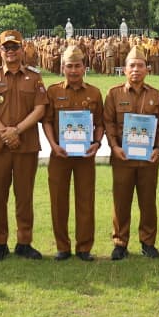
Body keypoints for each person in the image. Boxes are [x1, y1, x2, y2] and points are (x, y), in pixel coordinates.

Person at [0, 30, 48, 261]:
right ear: (0, 51)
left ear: (22, 49)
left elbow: (40, 108)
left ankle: (24, 242)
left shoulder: (34, 77)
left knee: (24, 195)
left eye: (14, 47)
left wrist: (17, 131)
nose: (10, 52)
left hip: (26, 144)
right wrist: (4, 133)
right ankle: (0, 242)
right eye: (6, 48)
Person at [103, 45, 159, 260]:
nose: (136, 70)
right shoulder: (114, 94)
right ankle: (120, 242)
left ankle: (148, 242)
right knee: (121, 202)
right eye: (132, 66)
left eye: (140, 65)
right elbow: (109, 123)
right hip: (123, 157)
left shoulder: (155, 96)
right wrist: (114, 146)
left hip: (148, 160)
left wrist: (158, 148)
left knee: (148, 201)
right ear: (124, 69)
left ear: (146, 69)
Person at [41, 45, 104, 261]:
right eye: (70, 66)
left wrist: (97, 143)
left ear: (84, 67)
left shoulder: (94, 92)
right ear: (62, 68)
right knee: (58, 200)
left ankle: (84, 247)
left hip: (85, 156)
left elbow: (100, 123)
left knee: (85, 199)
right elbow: (47, 121)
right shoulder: (53, 91)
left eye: (78, 66)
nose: (74, 70)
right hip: (60, 154)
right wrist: (52, 144)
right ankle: (62, 246)